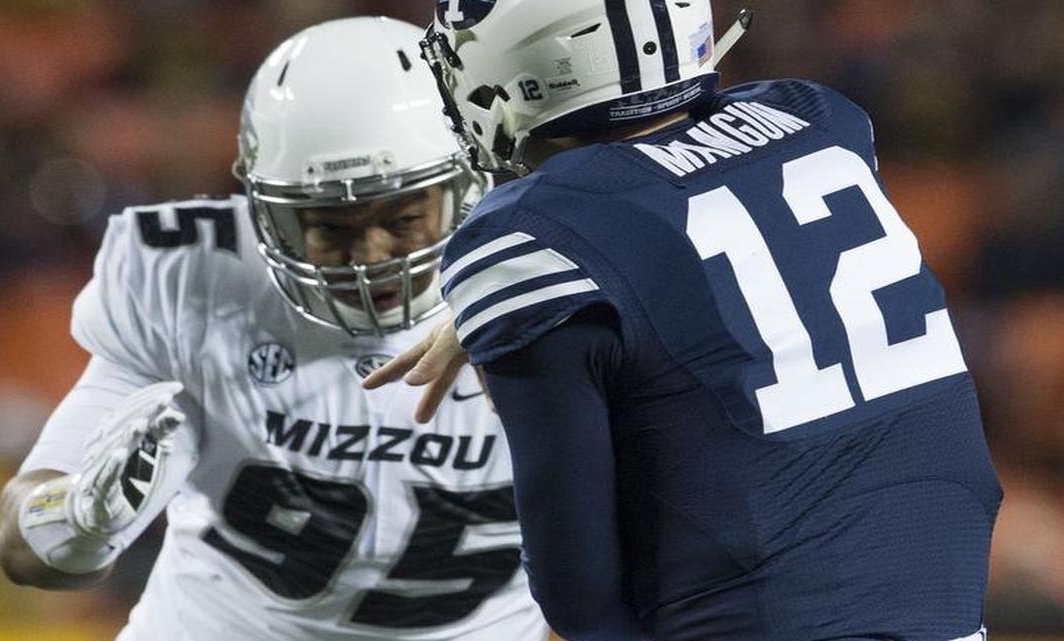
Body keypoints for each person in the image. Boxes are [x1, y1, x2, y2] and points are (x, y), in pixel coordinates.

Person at [365, 2, 1004, 640]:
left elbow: (578, 594)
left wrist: (503, 301)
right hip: (947, 597)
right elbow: (690, 235)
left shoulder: (525, 238)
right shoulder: (815, 117)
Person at [0, 16, 549, 641]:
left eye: (403, 217)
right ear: (270, 216)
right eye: (329, 225)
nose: (369, 254)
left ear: (468, 183)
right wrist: (75, 520)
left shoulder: (551, 287)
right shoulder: (193, 282)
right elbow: (23, 549)